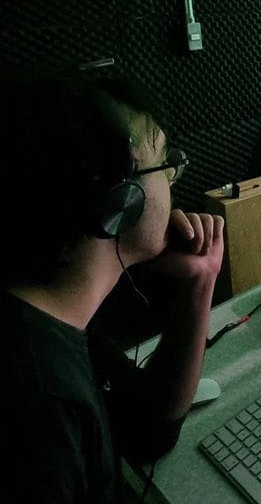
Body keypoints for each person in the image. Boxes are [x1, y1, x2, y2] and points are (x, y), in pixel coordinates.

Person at [0, 74, 225, 502]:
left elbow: (149, 429)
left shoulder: (51, 321)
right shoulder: (39, 410)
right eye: (165, 163)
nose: (174, 180)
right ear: (119, 200)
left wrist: (201, 278)